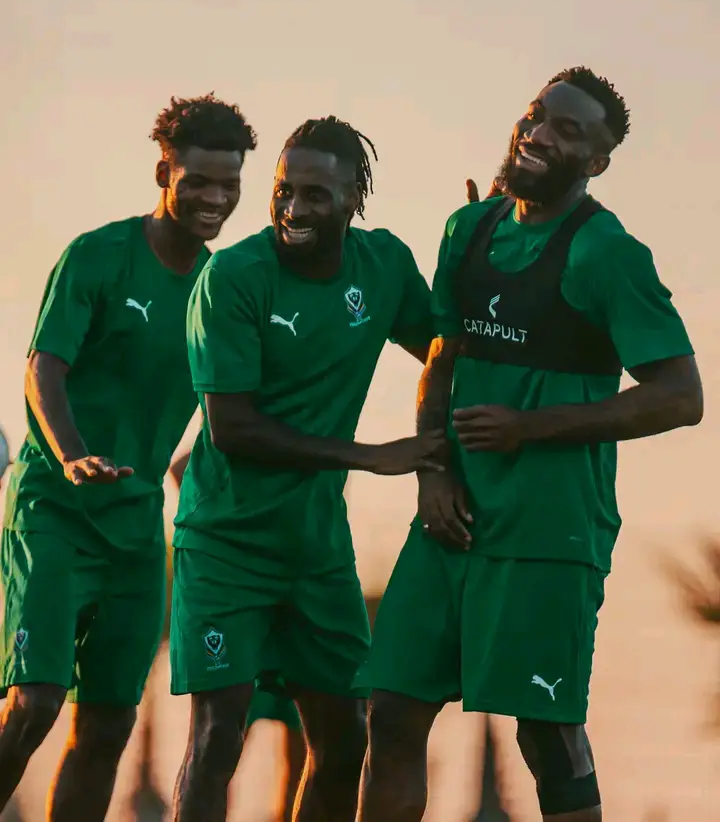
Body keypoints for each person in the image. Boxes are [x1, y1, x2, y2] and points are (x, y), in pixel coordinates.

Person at [357, 66, 704, 822]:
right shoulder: (467, 229)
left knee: (547, 736)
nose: (541, 133)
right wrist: (433, 472)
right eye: (538, 115)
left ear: (598, 162)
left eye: (570, 131)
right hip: (451, 518)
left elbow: (682, 397)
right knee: (390, 710)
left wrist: (528, 429)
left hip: (550, 525)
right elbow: (442, 360)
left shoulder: (605, 251)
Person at [169, 115, 445, 822]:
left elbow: (450, 351)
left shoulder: (384, 267)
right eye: (283, 191)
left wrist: (481, 252)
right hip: (226, 543)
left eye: (316, 196)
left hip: (318, 550)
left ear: (355, 196)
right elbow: (232, 429)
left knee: (345, 742)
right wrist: (371, 457)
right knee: (216, 737)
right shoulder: (233, 276)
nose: (293, 210)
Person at [0, 94, 257, 820]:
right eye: (198, 182)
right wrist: (73, 454)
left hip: (139, 528)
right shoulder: (97, 256)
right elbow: (43, 366)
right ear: (162, 173)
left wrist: (195, 463)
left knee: (108, 723)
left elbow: (233, 400)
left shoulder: (223, 287)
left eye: (228, 185)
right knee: (34, 703)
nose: (214, 199)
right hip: (54, 510)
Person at [169, 451, 306, 822]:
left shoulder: (319, 422)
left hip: (300, 582)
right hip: (241, 593)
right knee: (221, 734)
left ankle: (284, 815)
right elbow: (181, 466)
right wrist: (221, 523)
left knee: (304, 737)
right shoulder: (238, 423)